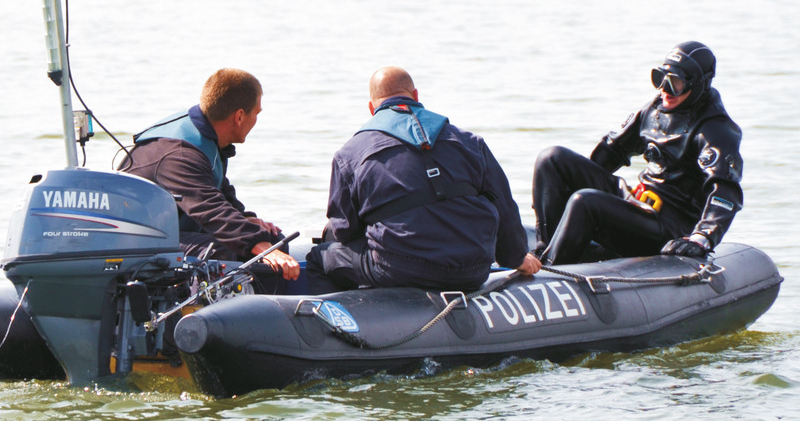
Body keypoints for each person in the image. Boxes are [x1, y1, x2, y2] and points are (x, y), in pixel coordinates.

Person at [306, 66, 540, 294]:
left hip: (399, 270)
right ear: (416, 96)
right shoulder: (470, 141)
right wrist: (516, 257)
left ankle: (342, 322)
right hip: (474, 269)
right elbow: (505, 208)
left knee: (319, 257)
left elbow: (345, 232)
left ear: (371, 108)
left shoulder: (349, 154)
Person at [531, 41, 743, 265]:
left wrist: (702, 238)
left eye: (676, 83)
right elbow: (611, 152)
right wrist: (573, 188)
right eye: (660, 79)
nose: (665, 90)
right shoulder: (654, 109)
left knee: (584, 201)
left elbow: (725, 192)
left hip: (667, 227)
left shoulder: (716, 130)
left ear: (698, 85)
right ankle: (544, 249)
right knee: (551, 159)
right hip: (637, 201)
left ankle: (553, 268)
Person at [120, 68, 299, 281]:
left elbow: (217, 191)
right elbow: (209, 208)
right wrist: (258, 244)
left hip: (173, 228)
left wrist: (247, 219)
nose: (256, 121)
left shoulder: (206, 135)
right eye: (256, 114)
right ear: (240, 116)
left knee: (274, 238)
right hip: (138, 240)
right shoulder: (180, 153)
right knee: (226, 251)